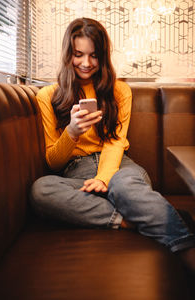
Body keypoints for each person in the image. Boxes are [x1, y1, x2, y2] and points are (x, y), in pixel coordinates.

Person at [30, 17, 195, 273]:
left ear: (103, 56)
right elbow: (53, 162)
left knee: (126, 186)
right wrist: (72, 132)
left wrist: (105, 178)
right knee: (41, 190)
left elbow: (115, 143)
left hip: (120, 167)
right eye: (78, 54)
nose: (86, 63)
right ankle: (132, 219)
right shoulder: (48, 96)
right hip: (78, 175)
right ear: (68, 54)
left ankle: (187, 248)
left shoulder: (119, 92)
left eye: (94, 55)